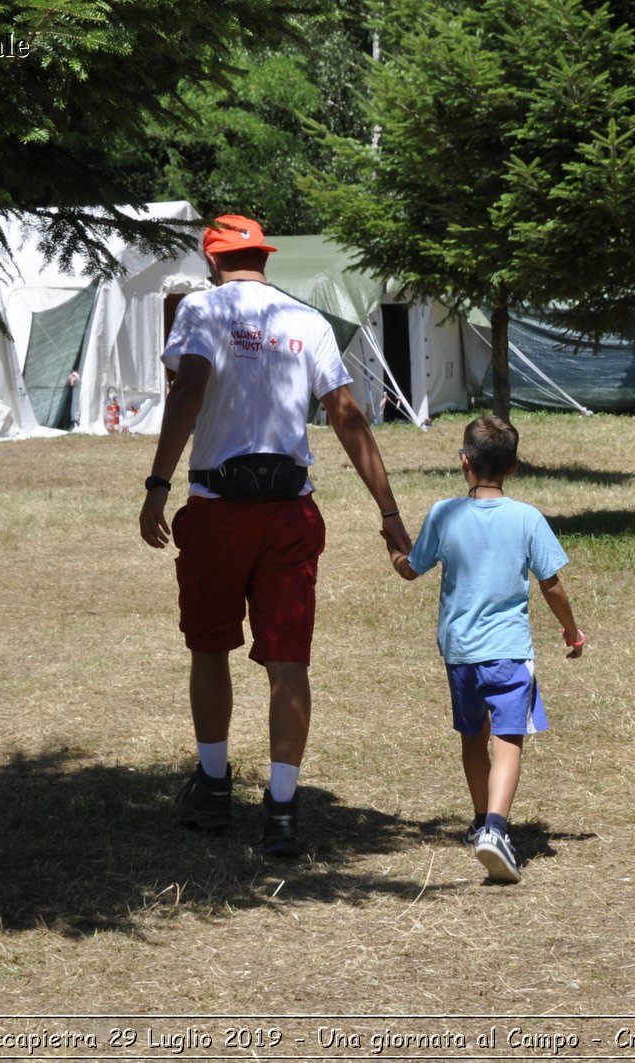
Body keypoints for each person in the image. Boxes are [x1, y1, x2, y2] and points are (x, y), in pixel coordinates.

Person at [138, 213, 411, 858]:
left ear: (211, 259)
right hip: (290, 512)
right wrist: (390, 513)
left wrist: (157, 482)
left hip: (216, 508)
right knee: (289, 662)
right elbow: (346, 415)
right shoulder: (307, 321)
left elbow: (190, 390)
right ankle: (283, 809)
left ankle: (212, 789)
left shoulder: (201, 312)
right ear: (264, 256)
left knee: (210, 648)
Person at [386, 415, 585, 884]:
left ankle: (480, 820)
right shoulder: (527, 518)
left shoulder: (443, 514)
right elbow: (552, 585)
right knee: (509, 741)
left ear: (464, 462)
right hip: (510, 653)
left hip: (460, 654)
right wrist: (572, 631)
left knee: (472, 737)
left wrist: (392, 550)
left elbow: (411, 569)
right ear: (514, 468)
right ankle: (496, 828)